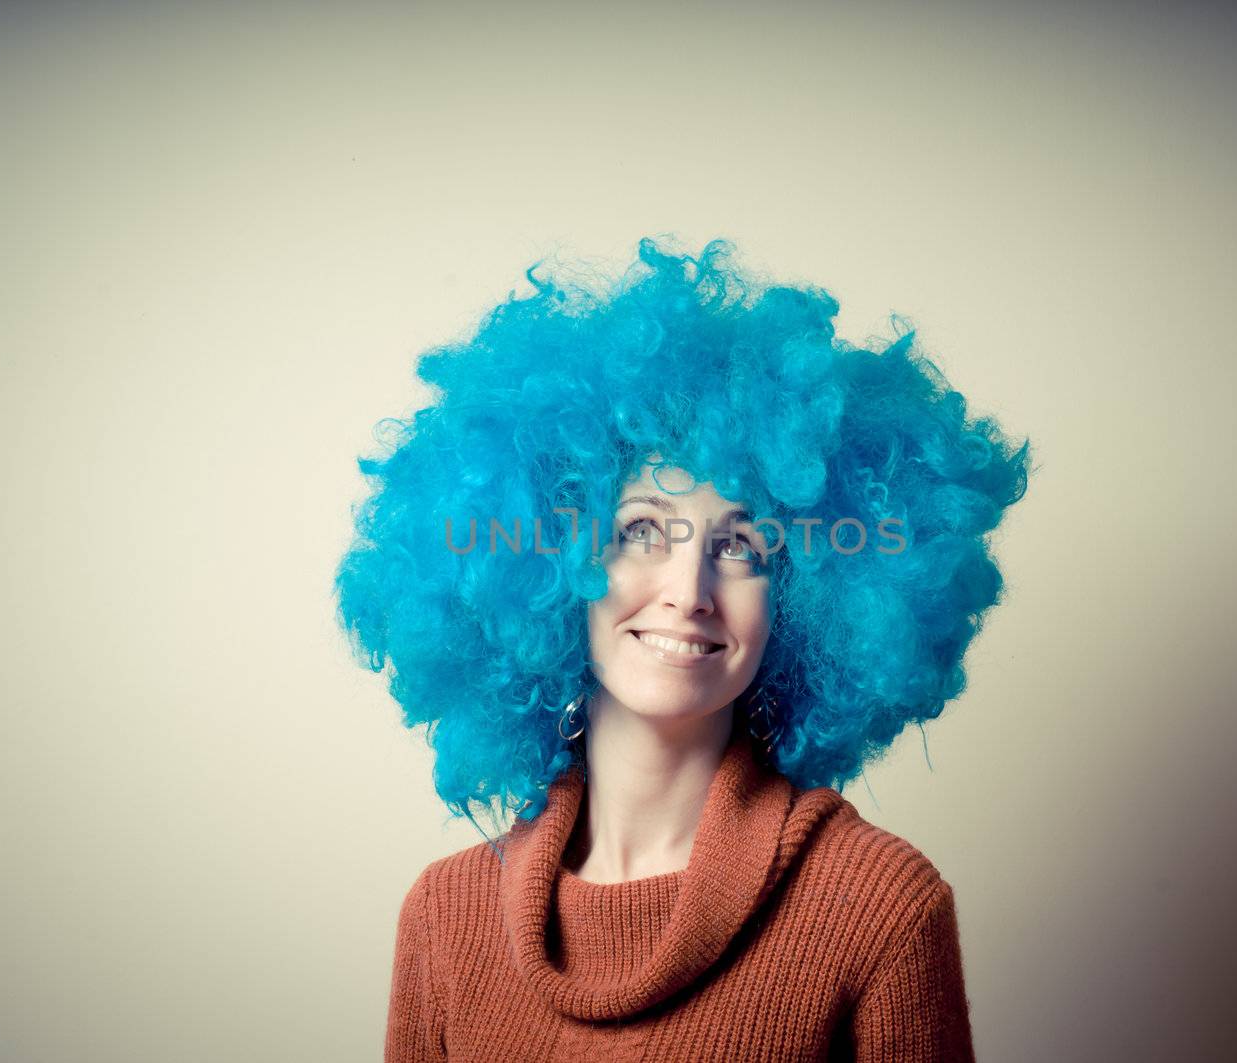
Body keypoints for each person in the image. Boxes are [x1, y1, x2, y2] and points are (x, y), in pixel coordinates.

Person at [334, 237, 1032, 1060]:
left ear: (804, 597)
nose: (688, 590)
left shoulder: (878, 911)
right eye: (640, 533)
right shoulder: (445, 916)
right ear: (554, 563)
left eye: (742, 546)